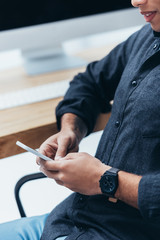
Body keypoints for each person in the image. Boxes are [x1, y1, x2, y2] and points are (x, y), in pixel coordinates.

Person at [1, 0, 160, 239]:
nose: (136, 1)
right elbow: (89, 82)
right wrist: (71, 129)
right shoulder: (146, 37)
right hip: (68, 221)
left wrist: (105, 180)